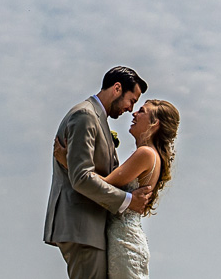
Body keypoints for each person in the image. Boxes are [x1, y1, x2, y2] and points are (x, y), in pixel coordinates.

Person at [43, 67, 152, 279]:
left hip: (90, 228)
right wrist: (128, 200)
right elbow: (81, 178)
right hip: (82, 226)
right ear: (117, 88)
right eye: (132, 100)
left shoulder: (96, 118)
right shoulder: (85, 115)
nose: (131, 109)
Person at [56, 96, 179, 279]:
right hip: (121, 239)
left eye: (142, 111)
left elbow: (104, 184)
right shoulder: (150, 154)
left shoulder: (145, 153)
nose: (134, 113)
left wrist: (68, 162)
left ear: (155, 124)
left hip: (124, 243)